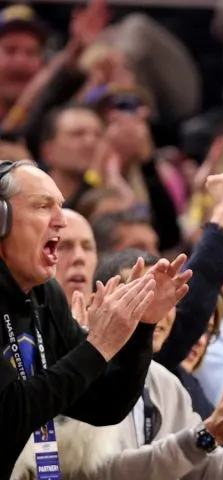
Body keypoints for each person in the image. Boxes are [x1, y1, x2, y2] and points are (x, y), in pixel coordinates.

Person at [0, 159, 190, 478]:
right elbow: (10, 416)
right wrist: (99, 345)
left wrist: (142, 326)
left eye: (60, 206)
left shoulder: (46, 295)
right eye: (44, 206)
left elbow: (106, 404)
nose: (61, 220)